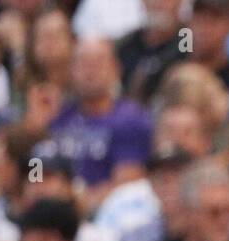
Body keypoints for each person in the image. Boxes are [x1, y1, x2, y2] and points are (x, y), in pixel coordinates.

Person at [48, 37, 153, 207]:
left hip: (108, 216)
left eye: (98, 62)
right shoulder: (58, 115)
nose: (91, 70)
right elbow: (35, 169)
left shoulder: (130, 118)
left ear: (116, 69)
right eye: (83, 63)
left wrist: (75, 206)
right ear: (71, 71)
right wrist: (35, 125)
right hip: (54, 211)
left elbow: (127, 186)